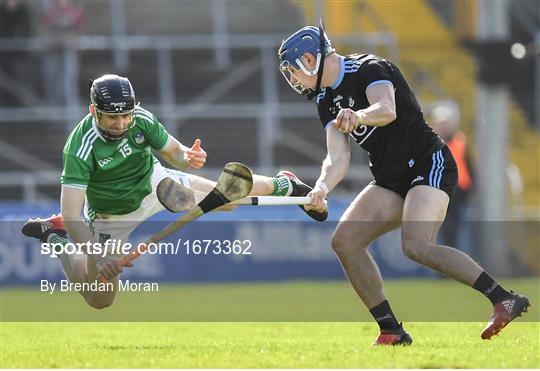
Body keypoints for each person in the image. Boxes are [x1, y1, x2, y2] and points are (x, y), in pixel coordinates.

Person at [277, 25, 530, 345]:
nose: (294, 80)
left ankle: (503, 298)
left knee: (416, 245)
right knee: (345, 240)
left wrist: (359, 116)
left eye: (293, 71)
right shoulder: (325, 100)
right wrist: (322, 188)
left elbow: (386, 109)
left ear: (311, 59)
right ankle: (391, 330)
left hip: (428, 161)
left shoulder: (369, 68)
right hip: (390, 177)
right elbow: (336, 156)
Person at [21, 74, 325, 309]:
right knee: (99, 299)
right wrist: (99, 257)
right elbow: (74, 213)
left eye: (126, 115)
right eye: (112, 117)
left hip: (157, 184)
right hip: (109, 215)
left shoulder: (141, 119)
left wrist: (187, 157)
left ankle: (286, 184)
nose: (121, 123)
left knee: (227, 199)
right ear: (93, 111)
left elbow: (173, 151)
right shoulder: (80, 148)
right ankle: (59, 239)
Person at [429, 103, 474, 252]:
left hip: (458, 194)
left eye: (445, 123)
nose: (443, 127)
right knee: (439, 233)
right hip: (438, 192)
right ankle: (441, 270)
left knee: (457, 233)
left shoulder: (460, 141)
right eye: (440, 123)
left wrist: (471, 189)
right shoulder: (429, 142)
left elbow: (469, 167)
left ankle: (458, 268)